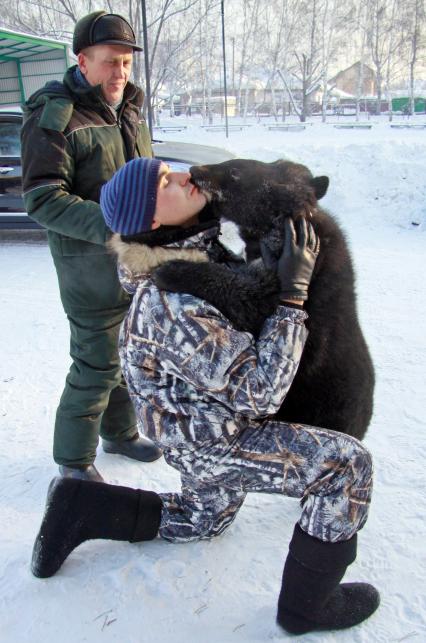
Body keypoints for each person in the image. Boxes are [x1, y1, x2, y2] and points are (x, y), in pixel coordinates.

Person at [30, 159, 380, 634]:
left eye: (168, 169)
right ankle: (306, 609)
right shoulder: (175, 303)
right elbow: (260, 393)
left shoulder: (193, 249)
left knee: (200, 520)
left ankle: (78, 505)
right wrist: (294, 298)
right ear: (151, 220)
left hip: (203, 419)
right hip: (212, 439)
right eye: (164, 183)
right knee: (346, 466)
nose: (181, 174)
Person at [20, 11, 162, 482]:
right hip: (88, 268)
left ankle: (119, 433)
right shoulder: (56, 114)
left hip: (134, 264)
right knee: (95, 363)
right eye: (109, 62)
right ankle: (74, 462)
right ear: (82, 60)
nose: (120, 73)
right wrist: (117, 223)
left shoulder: (130, 109)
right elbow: (42, 198)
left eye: (125, 63)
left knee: (125, 353)